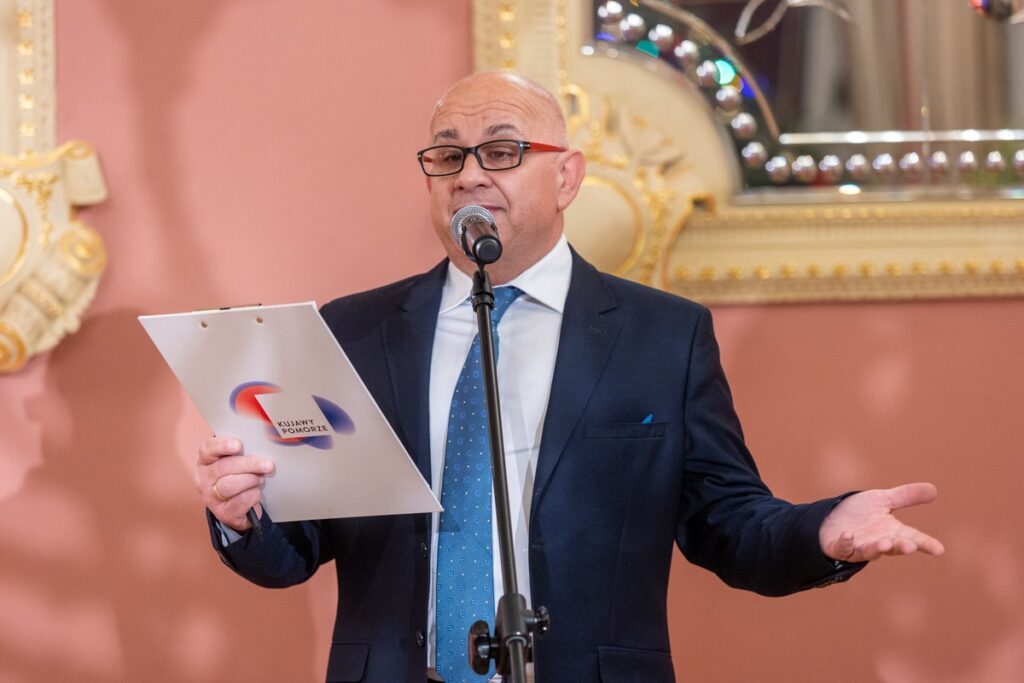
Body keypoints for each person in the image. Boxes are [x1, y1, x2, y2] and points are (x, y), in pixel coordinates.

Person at [194, 72, 944, 683]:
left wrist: (824, 531)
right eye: (448, 155)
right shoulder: (355, 330)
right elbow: (293, 552)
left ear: (567, 176)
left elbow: (729, 525)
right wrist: (242, 515)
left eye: (502, 150)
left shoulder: (663, 336)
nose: (470, 175)